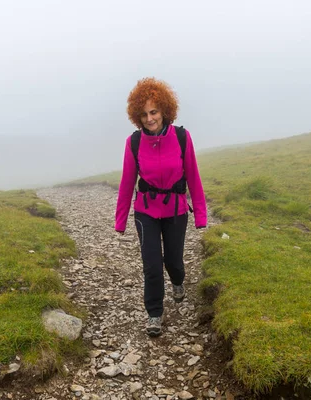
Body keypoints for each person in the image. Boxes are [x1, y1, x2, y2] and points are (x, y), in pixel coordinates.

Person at [115, 77, 207, 337]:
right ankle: (154, 313)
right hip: (146, 211)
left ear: (164, 111)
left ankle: (178, 282)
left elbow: (193, 176)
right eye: (143, 114)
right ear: (137, 116)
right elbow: (127, 182)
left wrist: (200, 214)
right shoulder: (133, 143)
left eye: (153, 112)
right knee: (152, 265)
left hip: (176, 210)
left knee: (174, 261)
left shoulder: (181, 137)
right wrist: (120, 220)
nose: (149, 119)